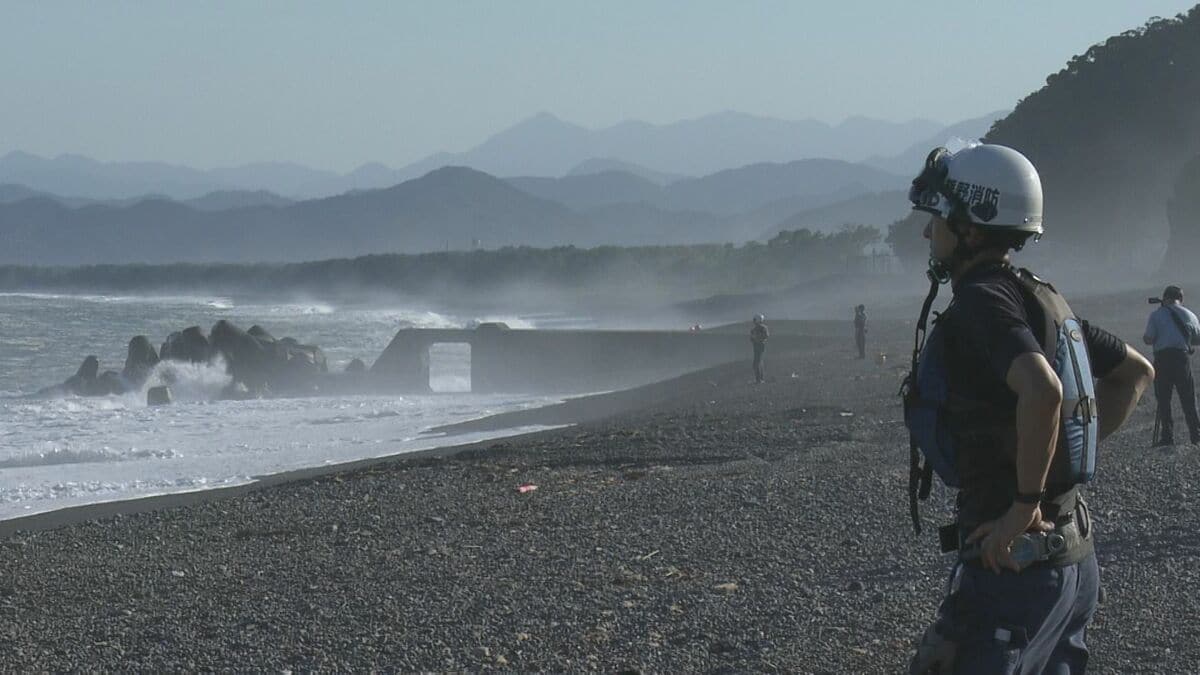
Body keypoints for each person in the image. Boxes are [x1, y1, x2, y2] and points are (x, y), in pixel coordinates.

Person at [903, 144, 1154, 673]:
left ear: (971, 226)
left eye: (937, 219)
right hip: (1071, 561)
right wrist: (1055, 459)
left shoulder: (982, 301)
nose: (929, 233)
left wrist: (1021, 506)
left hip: (1015, 572)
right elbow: (1135, 372)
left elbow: (1043, 390)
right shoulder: (1037, 297)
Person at [1143, 285, 1200, 446]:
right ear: (1180, 299)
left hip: (1162, 359)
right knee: (1188, 398)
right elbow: (1197, 339)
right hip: (1181, 359)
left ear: (1165, 297)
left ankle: (1167, 437)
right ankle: (1196, 435)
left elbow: (1149, 338)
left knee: (1163, 399)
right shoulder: (1189, 314)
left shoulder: (1156, 315)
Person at [750, 314, 768, 383]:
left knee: (756, 363)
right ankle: (760, 379)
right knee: (759, 362)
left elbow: (765, 336)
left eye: (754, 320)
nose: (753, 321)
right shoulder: (754, 329)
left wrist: (757, 338)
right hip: (757, 346)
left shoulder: (762, 328)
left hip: (759, 346)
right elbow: (751, 338)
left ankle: (759, 379)